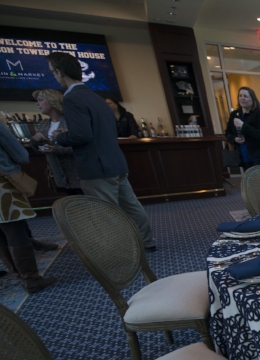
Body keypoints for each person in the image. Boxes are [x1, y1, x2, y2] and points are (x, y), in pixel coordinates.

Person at [46, 52, 156, 251]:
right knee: (131, 206)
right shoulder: (96, 97)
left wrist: (59, 137)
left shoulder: (71, 98)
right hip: (115, 161)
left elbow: (82, 136)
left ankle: (121, 251)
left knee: (107, 212)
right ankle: (146, 242)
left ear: (60, 72)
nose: (53, 76)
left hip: (96, 165)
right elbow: (100, 130)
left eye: (52, 72)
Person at [0, 121, 57, 293]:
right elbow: (21, 156)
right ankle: (31, 279)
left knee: (2, 232)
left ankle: (20, 276)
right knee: (15, 231)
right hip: (3, 183)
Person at [29, 89, 82, 196]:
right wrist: (34, 140)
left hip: (79, 175)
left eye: (40, 100)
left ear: (52, 101)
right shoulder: (44, 123)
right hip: (60, 176)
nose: (37, 103)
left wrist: (55, 149)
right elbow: (36, 148)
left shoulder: (71, 121)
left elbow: (81, 146)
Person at [225, 87, 260, 170]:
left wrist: (243, 126)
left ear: (252, 99)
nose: (242, 98)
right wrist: (234, 139)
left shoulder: (259, 114)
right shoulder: (234, 114)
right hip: (243, 156)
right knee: (248, 181)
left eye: (245, 96)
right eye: (240, 96)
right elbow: (227, 133)